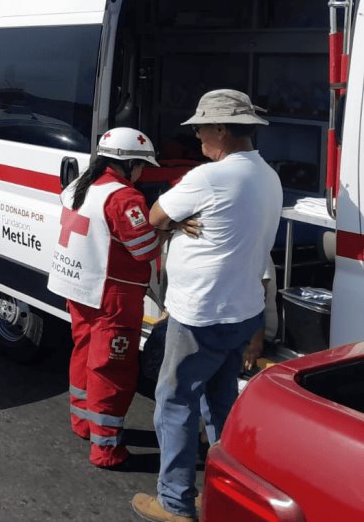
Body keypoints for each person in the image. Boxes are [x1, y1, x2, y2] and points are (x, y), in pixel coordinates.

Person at [132, 89, 283, 522]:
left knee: (175, 402)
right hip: (242, 309)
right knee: (219, 404)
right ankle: (228, 494)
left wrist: (176, 222)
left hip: (201, 312)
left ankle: (175, 502)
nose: (197, 137)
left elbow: (156, 216)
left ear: (220, 129)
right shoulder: (267, 176)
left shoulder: (209, 177)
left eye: (199, 128)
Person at [47, 127, 162, 469]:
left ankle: (83, 423)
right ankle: (106, 449)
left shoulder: (80, 186)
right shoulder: (124, 198)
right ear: (128, 165)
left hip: (80, 289)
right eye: (141, 166)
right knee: (112, 369)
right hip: (113, 297)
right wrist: (167, 227)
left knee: (84, 355)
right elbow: (145, 250)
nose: (143, 173)